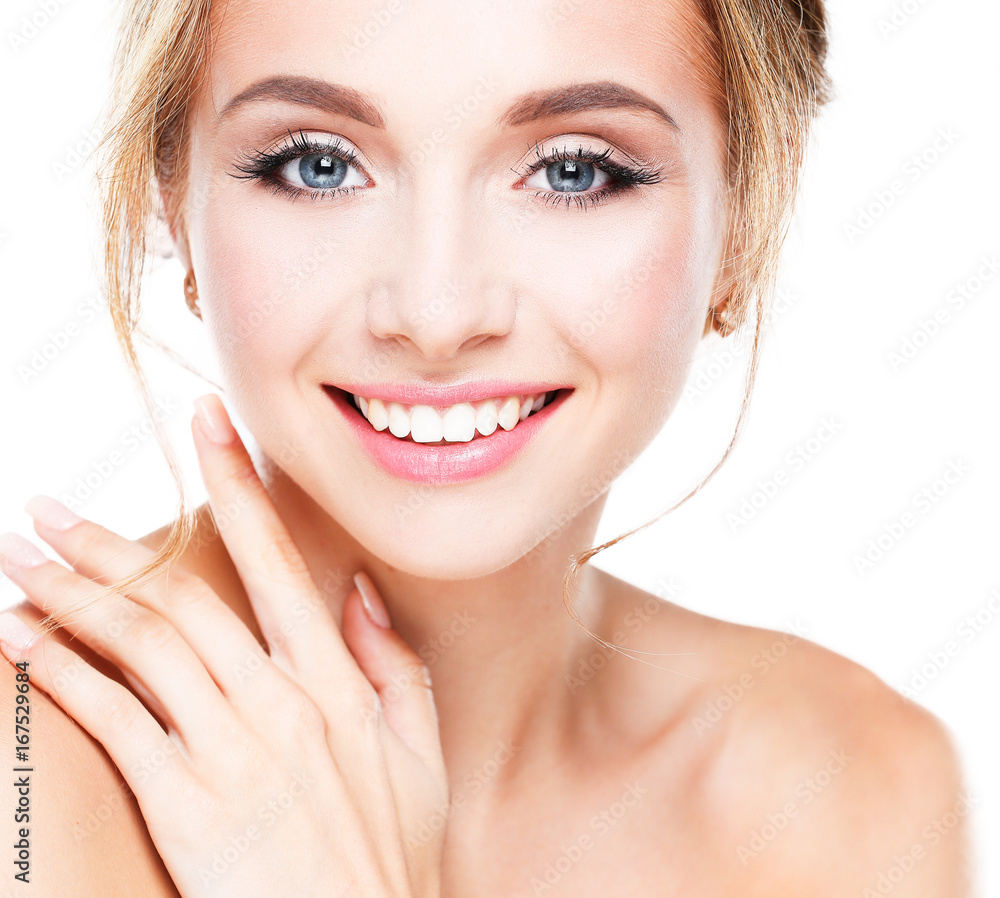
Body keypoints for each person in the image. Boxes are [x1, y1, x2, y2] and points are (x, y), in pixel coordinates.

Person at [0, 0, 973, 894]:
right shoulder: (26, 785)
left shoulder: (859, 785)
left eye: (572, 170)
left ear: (747, 214)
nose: (435, 312)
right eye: (318, 164)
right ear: (173, 198)